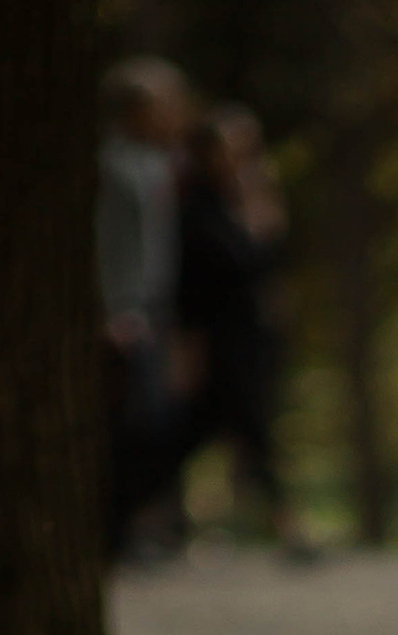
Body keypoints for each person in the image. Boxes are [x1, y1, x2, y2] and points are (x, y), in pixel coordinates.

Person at [170, 105, 312, 557]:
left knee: (221, 429)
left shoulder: (246, 203)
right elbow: (205, 280)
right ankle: (287, 527)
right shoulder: (199, 210)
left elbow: (269, 267)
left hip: (251, 337)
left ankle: (126, 511)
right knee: (239, 429)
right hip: (219, 339)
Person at [98, 57, 192, 562]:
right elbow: (107, 242)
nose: (175, 114)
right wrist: (113, 309)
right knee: (137, 425)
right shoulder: (110, 165)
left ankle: (129, 527)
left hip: (156, 310)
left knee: (160, 424)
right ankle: (113, 531)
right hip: (126, 313)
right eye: (165, 105)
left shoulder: (161, 165)